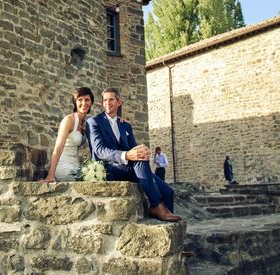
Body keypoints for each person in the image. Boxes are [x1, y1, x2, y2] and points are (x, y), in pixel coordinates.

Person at [86, 88, 181, 222]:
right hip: (108, 168)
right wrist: (126, 155)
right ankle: (156, 206)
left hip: (129, 168)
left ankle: (166, 219)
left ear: (119, 102)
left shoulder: (125, 125)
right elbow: (100, 151)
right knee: (140, 161)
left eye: (111, 99)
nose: (108, 102)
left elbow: (133, 149)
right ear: (102, 103)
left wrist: (143, 151)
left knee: (168, 192)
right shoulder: (94, 122)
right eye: (105, 100)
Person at [42, 87, 94, 183]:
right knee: (85, 181)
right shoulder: (69, 120)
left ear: (91, 102)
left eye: (87, 100)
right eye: (80, 100)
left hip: (76, 165)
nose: (84, 103)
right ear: (75, 102)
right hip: (63, 166)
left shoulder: (86, 123)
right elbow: (58, 147)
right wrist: (50, 175)